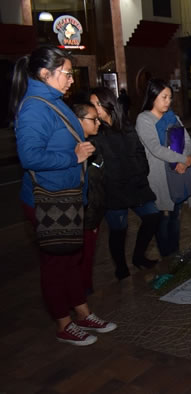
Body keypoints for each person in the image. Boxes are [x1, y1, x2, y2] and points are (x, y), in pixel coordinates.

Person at [11, 45, 116, 346]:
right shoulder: (34, 107)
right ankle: (63, 322)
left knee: (71, 259)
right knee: (56, 264)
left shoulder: (53, 101)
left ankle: (82, 311)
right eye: (67, 74)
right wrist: (73, 157)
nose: (72, 79)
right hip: (49, 201)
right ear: (46, 74)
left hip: (68, 198)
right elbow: (30, 157)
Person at [92, 87, 160, 278]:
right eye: (93, 104)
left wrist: (142, 170)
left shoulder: (125, 124)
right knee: (119, 230)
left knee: (153, 217)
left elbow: (139, 150)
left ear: (108, 103)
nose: (95, 108)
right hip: (114, 190)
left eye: (98, 103)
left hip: (136, 184)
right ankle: (121, 267)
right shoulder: (95, 131)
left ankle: (138, 257)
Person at [136, 79, 191, 256]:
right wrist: (181, 159)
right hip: (159, 177)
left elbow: (188, 141)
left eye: (170, 97)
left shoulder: (173, 118)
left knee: (175, 217)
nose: (168, 101)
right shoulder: (144, 119)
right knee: (162, 220)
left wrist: (183, 162)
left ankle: (175, 254)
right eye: (164, 97)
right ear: (153, 97)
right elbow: (155, 148)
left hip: (177, 176)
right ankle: (166, 257)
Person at [72, 102, 102, 294]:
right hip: (81, 213)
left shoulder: (93, 146)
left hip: (92, 211)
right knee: (78, 258)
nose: (98, 122)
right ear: (78, 121)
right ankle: (79, 294)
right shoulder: (75, 149)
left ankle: (84, 290)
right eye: (93, 119)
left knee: (88, 255)